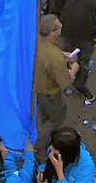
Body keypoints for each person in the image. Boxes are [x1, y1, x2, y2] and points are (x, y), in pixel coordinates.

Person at [34, 14, 79, 149]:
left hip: (37, 88)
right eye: (59, 27)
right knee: (55, 119)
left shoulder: (36, 41)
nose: (61, 28)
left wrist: (60, 54)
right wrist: (74, 69)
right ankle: (38, 143)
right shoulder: (53, 57)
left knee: (43, 114)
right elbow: (65, 82)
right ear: (52, 33)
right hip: (51, 94)